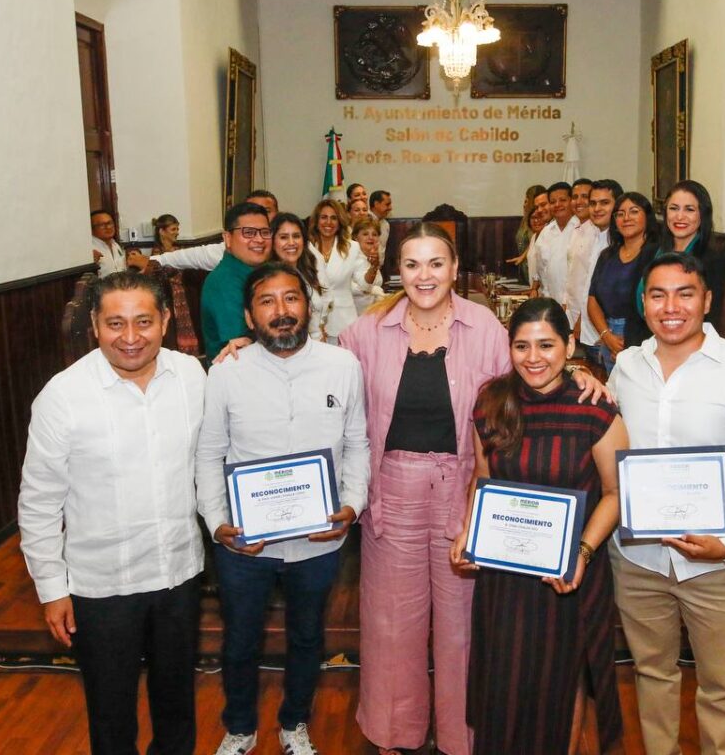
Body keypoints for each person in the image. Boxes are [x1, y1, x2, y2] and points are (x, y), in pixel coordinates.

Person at [339, 223, 608, 755]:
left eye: (436, 263)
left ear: (455, 269)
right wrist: (244, 345)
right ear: (399, 270)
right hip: (392, 490)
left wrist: (579, 372)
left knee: (463, 624)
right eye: (412, 264)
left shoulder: (484, 326)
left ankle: (463, 737)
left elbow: (532, 374)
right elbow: (319, 375)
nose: (424, 275)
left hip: (468, 490)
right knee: (392, 623)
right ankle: (395, 732)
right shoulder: (365, 332)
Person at [18, 270, 207, 755]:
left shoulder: (191, 377)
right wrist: (51, 589)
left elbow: (211, 460)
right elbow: (38, 503)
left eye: (143, 321)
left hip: (178, 574)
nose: (130, 337)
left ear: (164, 321)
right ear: (95, 328)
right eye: (115, 323)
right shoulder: (63, 396)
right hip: (101, 587)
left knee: (178, 703)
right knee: (110, 712)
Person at [608, 252, 725, 755]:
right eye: (658, 295)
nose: (671, 307)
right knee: (652, 673)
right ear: (644, 304)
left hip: (715, 565)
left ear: (706, 300)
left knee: (722, 686)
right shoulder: (626, 367)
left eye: (685, 294)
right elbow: (611, 444)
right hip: (639, 558)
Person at [197, 262, 368, 755]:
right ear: (250, 317)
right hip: (245, 542)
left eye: (291, 298)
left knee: (308, 637)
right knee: (240, 640)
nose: (281, 311)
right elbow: (209, 452)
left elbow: (358, 443)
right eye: (267, 302)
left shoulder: (343, 366)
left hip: (319, 540)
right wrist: (217, 523)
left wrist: (352, 505)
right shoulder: (227, 371)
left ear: (307, 305)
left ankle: (295, 722)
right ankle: (240, 727)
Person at [451, 298, 626, 755]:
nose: (534, 358)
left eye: (547, 345)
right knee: (503, 682)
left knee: (561, 682)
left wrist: (582, 554)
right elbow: (482, 478)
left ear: (570, 345)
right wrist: (469, 532)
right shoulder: (491, 403)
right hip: (504, 574)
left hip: (567, 575)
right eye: (522, 346)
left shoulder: (597, 409)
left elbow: (616, 493)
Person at [637, 179, 725, 323]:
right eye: (674, 208)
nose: (679, 216)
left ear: (702, 215)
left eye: (689, 209)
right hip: (646, 340)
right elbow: (633, 310)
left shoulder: (712, 260)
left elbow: (711, 317)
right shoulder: (649, 252)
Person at [589, 191, 658, 373]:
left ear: (647, 216)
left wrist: (628, 343)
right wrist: (607, 336)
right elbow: (593, 299)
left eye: (634, 211)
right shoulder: (607, 255)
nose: (626, 218)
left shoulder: (656, 254)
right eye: (620, 213)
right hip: (608, 336)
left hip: (642, 338)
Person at [130, 190, 280, 272]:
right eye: (250, 211)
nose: (258, 217)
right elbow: (192, 256)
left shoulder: (288, 243)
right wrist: (154, 261)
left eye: (266, 211)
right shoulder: (232, 250)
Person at [201, 201, 271, 361]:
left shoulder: (261, 273)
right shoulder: (223, 281)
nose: (259, 239)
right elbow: (241, 343)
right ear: (227, 238)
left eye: (265, 232)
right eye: (249, 232)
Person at [309, 198, 376, 344]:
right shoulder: (306, 249)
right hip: (312, 324)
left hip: (343, 322)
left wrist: (374, 267)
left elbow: (364, 285)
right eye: (324, 217)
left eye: (334, 218)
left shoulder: (352, 248)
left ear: (340, 222)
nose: (328, 222)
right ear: (316, 220)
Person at [572, 178, 623, 366]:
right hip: (592, 335)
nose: (597, 208)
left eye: (604, 203)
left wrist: (606, 334)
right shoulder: (595, 236)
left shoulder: (621, 244)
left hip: (611, 338)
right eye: (593, 203)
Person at [271, 211, 331, 339]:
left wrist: (319, 329)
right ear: (272, 242)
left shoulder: (307, 270)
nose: (292, 242)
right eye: (284, 237)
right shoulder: (270, 279)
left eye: (296, 236)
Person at [561, 177, 607, 346]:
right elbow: (571, 271)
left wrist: (582, 317)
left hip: (587, 318)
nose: (578, 201)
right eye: (574, 197)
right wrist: (565, 303)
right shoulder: (576, 229)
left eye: (584, 197)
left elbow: (592, 279)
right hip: (571, 313)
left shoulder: (598, 233)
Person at [149, 213, 199, 357]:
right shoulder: (157, 254)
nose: (177, 233)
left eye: (177, 229)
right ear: (162, 231)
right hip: (169, 298)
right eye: (173, 229)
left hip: (184, 295)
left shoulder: (179, 250)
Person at [533, 181, 578, 302]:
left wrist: (566, 302)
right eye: (552, 202)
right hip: (551, 302)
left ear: (571, 201)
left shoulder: (581, 229)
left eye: (563, 200)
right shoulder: (546, 233)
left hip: (575, 305)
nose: (557, 205)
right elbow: (542, 271)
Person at [509, 184, 548, 284]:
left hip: (535, 270)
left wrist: (523, 256)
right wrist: (522, 256)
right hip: (526, 270)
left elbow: (537, 241)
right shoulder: (526, 220)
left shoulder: (540, 222)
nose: (524, 204)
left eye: (526, 201)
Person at [351, 215, 385, 314]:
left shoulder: (371, 257)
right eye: (365, 234)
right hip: (355, 315)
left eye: (374, 234)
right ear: (355, 238)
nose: (370, 237)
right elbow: (364, 287)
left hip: (371, 313)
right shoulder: (354, 259)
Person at [90, 210, 127, 277]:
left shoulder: (115, 245)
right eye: (102, 225)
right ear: (92, 229)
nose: (108, 227)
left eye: (110, 223)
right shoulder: (90, 248)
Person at [369, 189, 393, 257]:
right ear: (376, 204)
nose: (390, 208)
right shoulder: (364, 222)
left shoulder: (386, 225)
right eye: (387, 204)